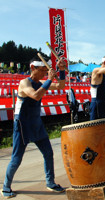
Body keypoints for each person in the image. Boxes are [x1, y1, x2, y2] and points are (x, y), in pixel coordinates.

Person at [1, 57, 67, 198]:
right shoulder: (24, 83)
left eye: (46, 70)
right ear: (32, 68)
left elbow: (61, 86)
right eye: (42, 70)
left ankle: (50, 182)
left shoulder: (42, 82)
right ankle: (6, 186)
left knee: (48, 153)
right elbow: (36, 96)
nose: (44, 73)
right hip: (22, 124)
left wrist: (61, 70)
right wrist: (49, 79)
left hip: (36, 123)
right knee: (16, 158)